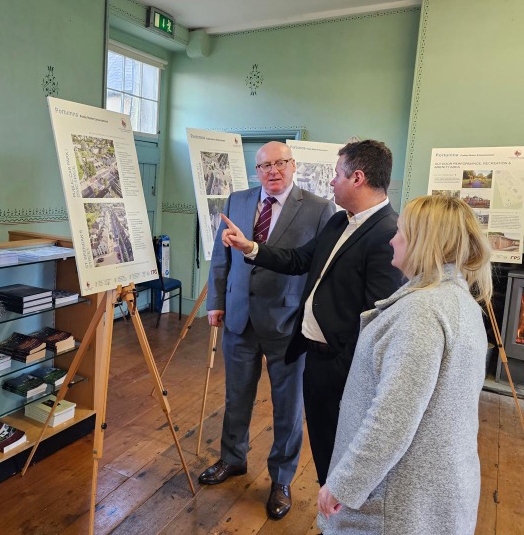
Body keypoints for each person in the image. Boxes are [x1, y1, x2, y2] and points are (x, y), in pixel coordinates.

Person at [219, 139, 403, 486]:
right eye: (265, 165)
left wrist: (346, 367)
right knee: (322, 445)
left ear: (357, 178)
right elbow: (298, 259)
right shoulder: (341, 222)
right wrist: (251, 247)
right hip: (312, 350)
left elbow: (377, 318)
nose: (331, 181)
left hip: (340, 363)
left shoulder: (386, 233)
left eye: (337, 174)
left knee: (334, 448)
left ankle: (297, 490)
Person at [317, 195, 492, 534]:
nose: (392, 240)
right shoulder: (459, 301)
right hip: (430, 493)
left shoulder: (421, 312)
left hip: (398, 502)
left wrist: (344, 483)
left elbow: (392, 419)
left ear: (424, 242)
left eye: (400, 232)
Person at [199, 141, 335, 520]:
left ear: (293, 165)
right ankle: (233, 458)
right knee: (236, 396)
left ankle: (281, 479)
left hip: (287, 324)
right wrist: (216, 300)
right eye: (264, 166)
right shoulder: (237, 201)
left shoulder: (319, 209)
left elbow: (322, 271)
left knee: (287, 406)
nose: (273, 171)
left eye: (280, 163)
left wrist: (313, 319)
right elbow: (221, 257)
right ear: (256, 170)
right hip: (239, 318)